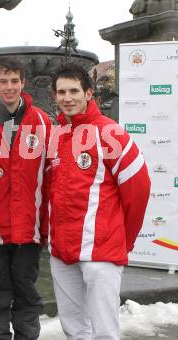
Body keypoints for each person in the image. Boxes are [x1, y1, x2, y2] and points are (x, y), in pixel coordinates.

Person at [47, 62, 151, 340]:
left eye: (73, 91)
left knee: (104, 332)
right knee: (74, 329)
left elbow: (138, 191)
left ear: (89, 93)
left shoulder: (111, 133)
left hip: (100, 251)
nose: (67, 98)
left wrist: (122, 240)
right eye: (61, 92)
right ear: (54, 95)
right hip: (62, 252)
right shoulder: (55, 136)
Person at [0, 58, 51, 340]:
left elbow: (51, 174)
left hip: (28, 229)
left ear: (23, 84)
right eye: (3, 81)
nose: (9, 87)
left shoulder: (41, 121)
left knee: (27, 295)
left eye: (14, 81)